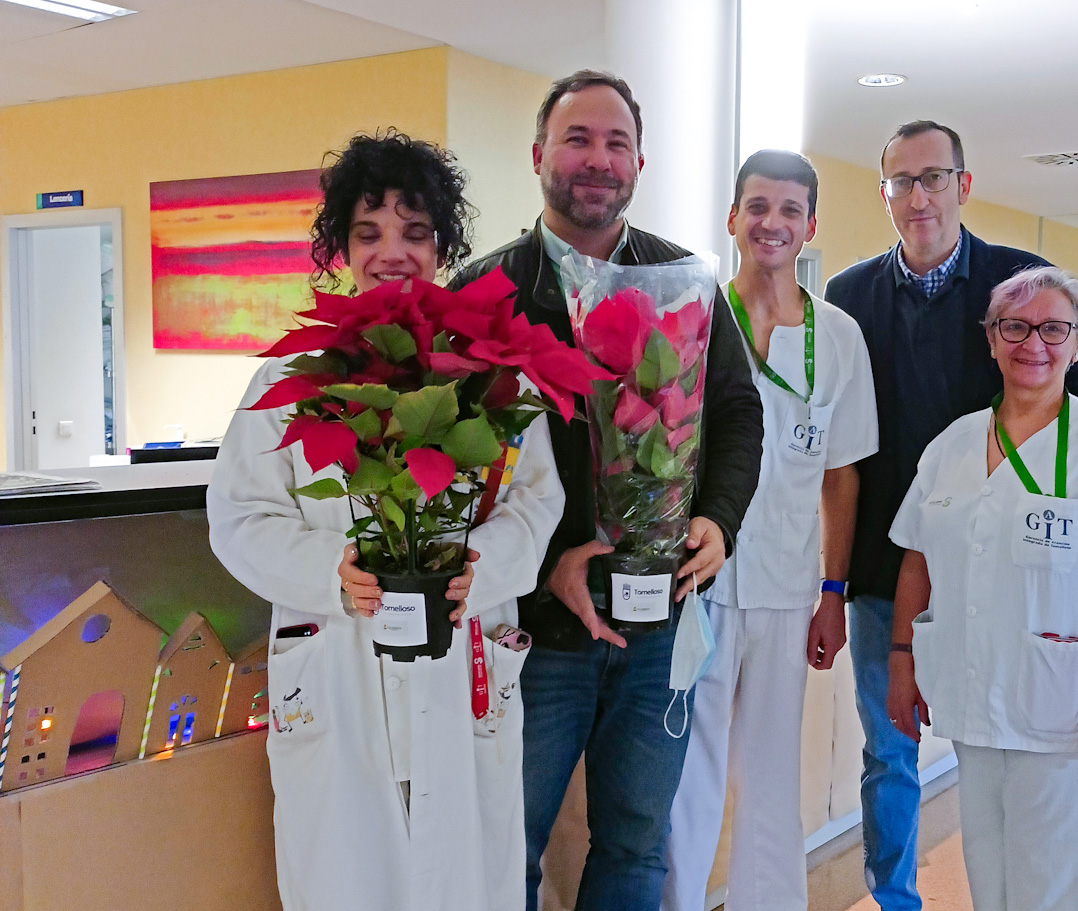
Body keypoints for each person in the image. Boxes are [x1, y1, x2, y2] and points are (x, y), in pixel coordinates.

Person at [207, 131, 564, 911]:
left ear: (443, 245)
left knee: (466, 870)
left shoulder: (489, 373)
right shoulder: (290, 379)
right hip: (336, 660)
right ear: (340, 245)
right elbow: (238, 516)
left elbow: (539, 499)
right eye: (368, 232)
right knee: (347, 873)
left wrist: (487, 566)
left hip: (461, 646)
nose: (391, 251)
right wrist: (325, 571)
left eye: (415, 231)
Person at [823, 120, 1078, 910]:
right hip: (893, 557)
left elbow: (1055, 363)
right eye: (902, 181)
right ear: (885, 194)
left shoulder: (1014, 278)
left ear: (962, 185)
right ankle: (894, 894)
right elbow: (836, 442)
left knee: (1003, 746)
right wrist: (834, 585)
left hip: (1004, 561)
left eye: (933, 177)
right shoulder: (848, 296)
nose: (918, 196)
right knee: (891, 748)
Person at [450, 71, 763, 911]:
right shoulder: (484, 293)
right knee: (505, 839)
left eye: (615, 143)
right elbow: (454, 462)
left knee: (635, 840)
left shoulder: (686, 282)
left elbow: (736, 413)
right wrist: (545, 562)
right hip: (533, 629)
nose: (598, 159)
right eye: (578, 140)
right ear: (539, 155)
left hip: (658, 623)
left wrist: (719, 522)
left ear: (640, 161)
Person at [886, 266, 1078, 911]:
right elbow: (916, 558)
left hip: (1067, 711)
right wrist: (902, 664)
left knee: (1057, 889)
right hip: (972, 699)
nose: (1032, 343)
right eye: (1013, 327)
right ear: (991, 339)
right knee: (990, 883)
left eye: (1053, 328)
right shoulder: (953, 444)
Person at [662, 150, 877, 911]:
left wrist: (832, 590)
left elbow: (841, 474)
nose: (772, 223)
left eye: (790, 210)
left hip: (789, 587)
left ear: (811, 224)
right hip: (701, 585)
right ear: (733, 218)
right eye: (757, 206)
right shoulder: (691, 319)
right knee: (689, 776)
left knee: (771, 773)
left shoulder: (840, 337)